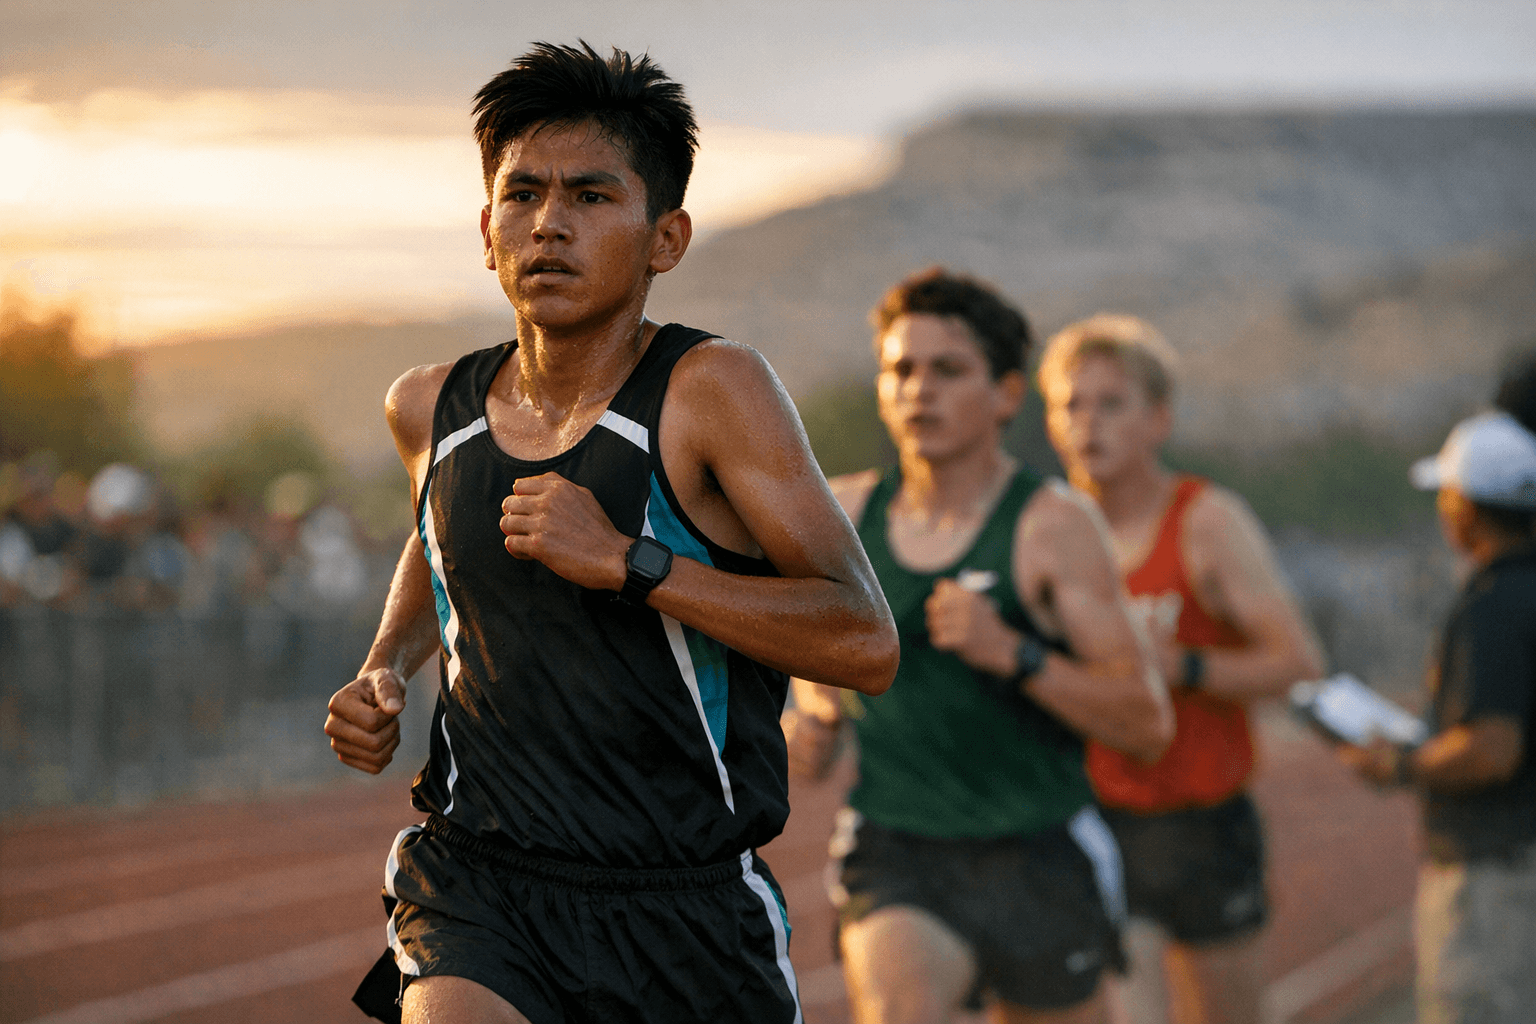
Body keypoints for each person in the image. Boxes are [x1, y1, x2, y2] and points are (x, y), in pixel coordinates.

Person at [322, 42, 898, 1024]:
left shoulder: (714, 392)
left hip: (683, 904)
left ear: (665, 238)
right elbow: (438, 541)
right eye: (523, 194)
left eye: (591, 196)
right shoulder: (429, 407)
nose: (549, 223)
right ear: (485, 227)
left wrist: (633, 563)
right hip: (477, 876)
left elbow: (862, 638)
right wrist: (383, 665)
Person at [785, 269, 1174, 1024]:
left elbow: (1146, 722)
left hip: (1038, 848)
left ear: (1005, 395)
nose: (918, 391)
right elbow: (816, 658)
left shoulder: (1053, 527)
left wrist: (1016, 654)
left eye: (947, 370)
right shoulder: (843, 512)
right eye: (901, 370)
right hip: (898, 846)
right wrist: (814, 717)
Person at [1037, 314, 1325, 1024]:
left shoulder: (1207, 522)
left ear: (1158, 419)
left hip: (1205, 819)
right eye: (1071, 404)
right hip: (1100, 819)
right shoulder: (1044, 530)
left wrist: (1181, 665)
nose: (1088, 424)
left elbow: (1297, 664)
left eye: (1111, 404)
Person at [1340, 410, 1536, 1024]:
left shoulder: (1495, 604)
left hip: (1496, 873)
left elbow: (1491, 750)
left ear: (1466, 509)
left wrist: (1398, 763)